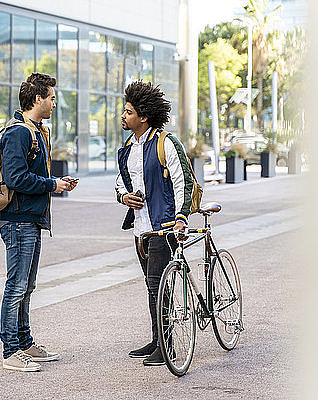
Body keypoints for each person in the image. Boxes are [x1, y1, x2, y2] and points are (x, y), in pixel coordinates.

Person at [0, 72, 78, 372]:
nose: (55, 104)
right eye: (52, 98)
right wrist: (51, 185)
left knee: (27, 285)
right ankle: (10, 351)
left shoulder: (35, 130)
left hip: (30, 219)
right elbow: (15, 178)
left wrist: (54, 183)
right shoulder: (18, 132)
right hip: (18, 221)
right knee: (16, 286)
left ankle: (25, 343)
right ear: (37, 99)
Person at [115, 81, 194, 366]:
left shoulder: (166, 143)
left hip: (164, 226)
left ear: (143, 116)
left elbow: (182, 180)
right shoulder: (128, 147)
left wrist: (181, 217)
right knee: (152, 288)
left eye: (128, 111)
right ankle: (157, 339)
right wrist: (124, 197)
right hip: (141, 229)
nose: (123, 116)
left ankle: (167, 346)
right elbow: (120, 182)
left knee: (158, 286)